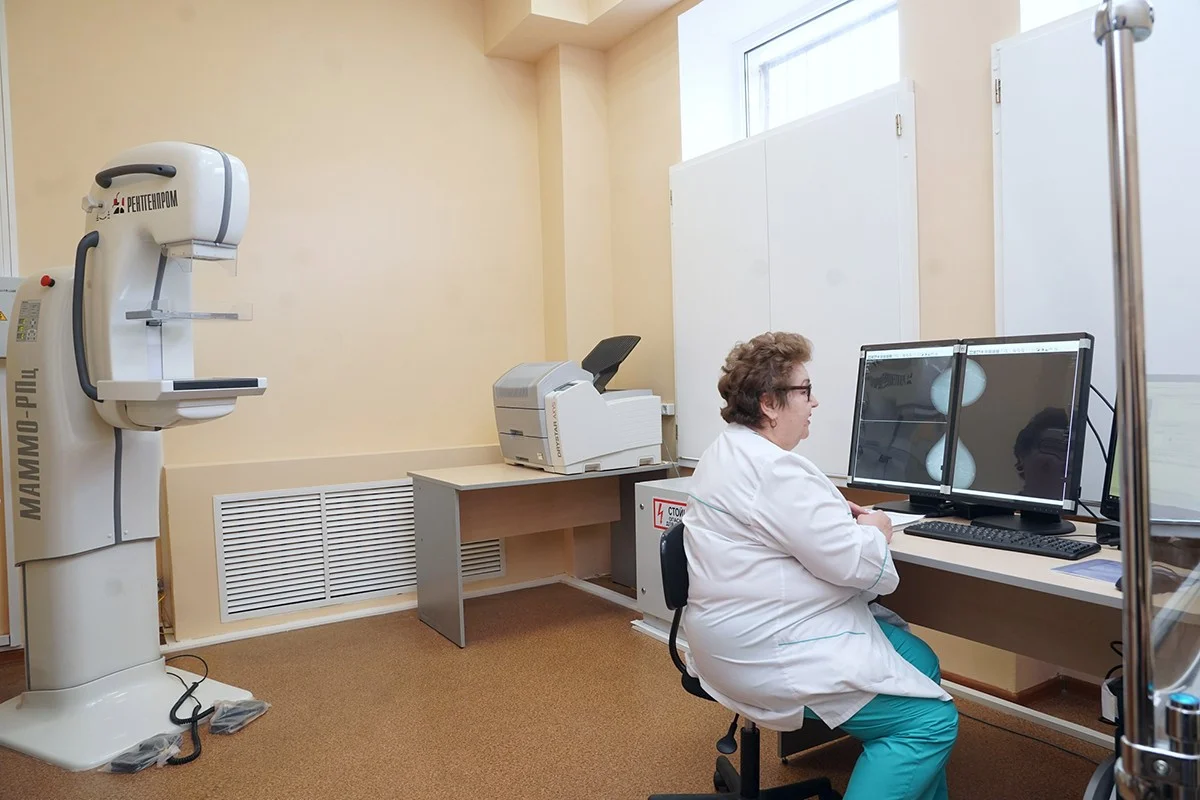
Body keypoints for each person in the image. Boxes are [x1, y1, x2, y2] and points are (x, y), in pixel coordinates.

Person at [681, 331, 958, 800]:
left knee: (921, 662)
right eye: (804, 390)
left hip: (724, 636)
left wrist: (828, 515)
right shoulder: (775, 470)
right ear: (769, 403)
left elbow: (774, 525)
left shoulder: (726, 451)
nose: (814, 402)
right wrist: (877, 529)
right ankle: (898, 748)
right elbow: (860, 568)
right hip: (769, 649)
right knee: (931, 723)